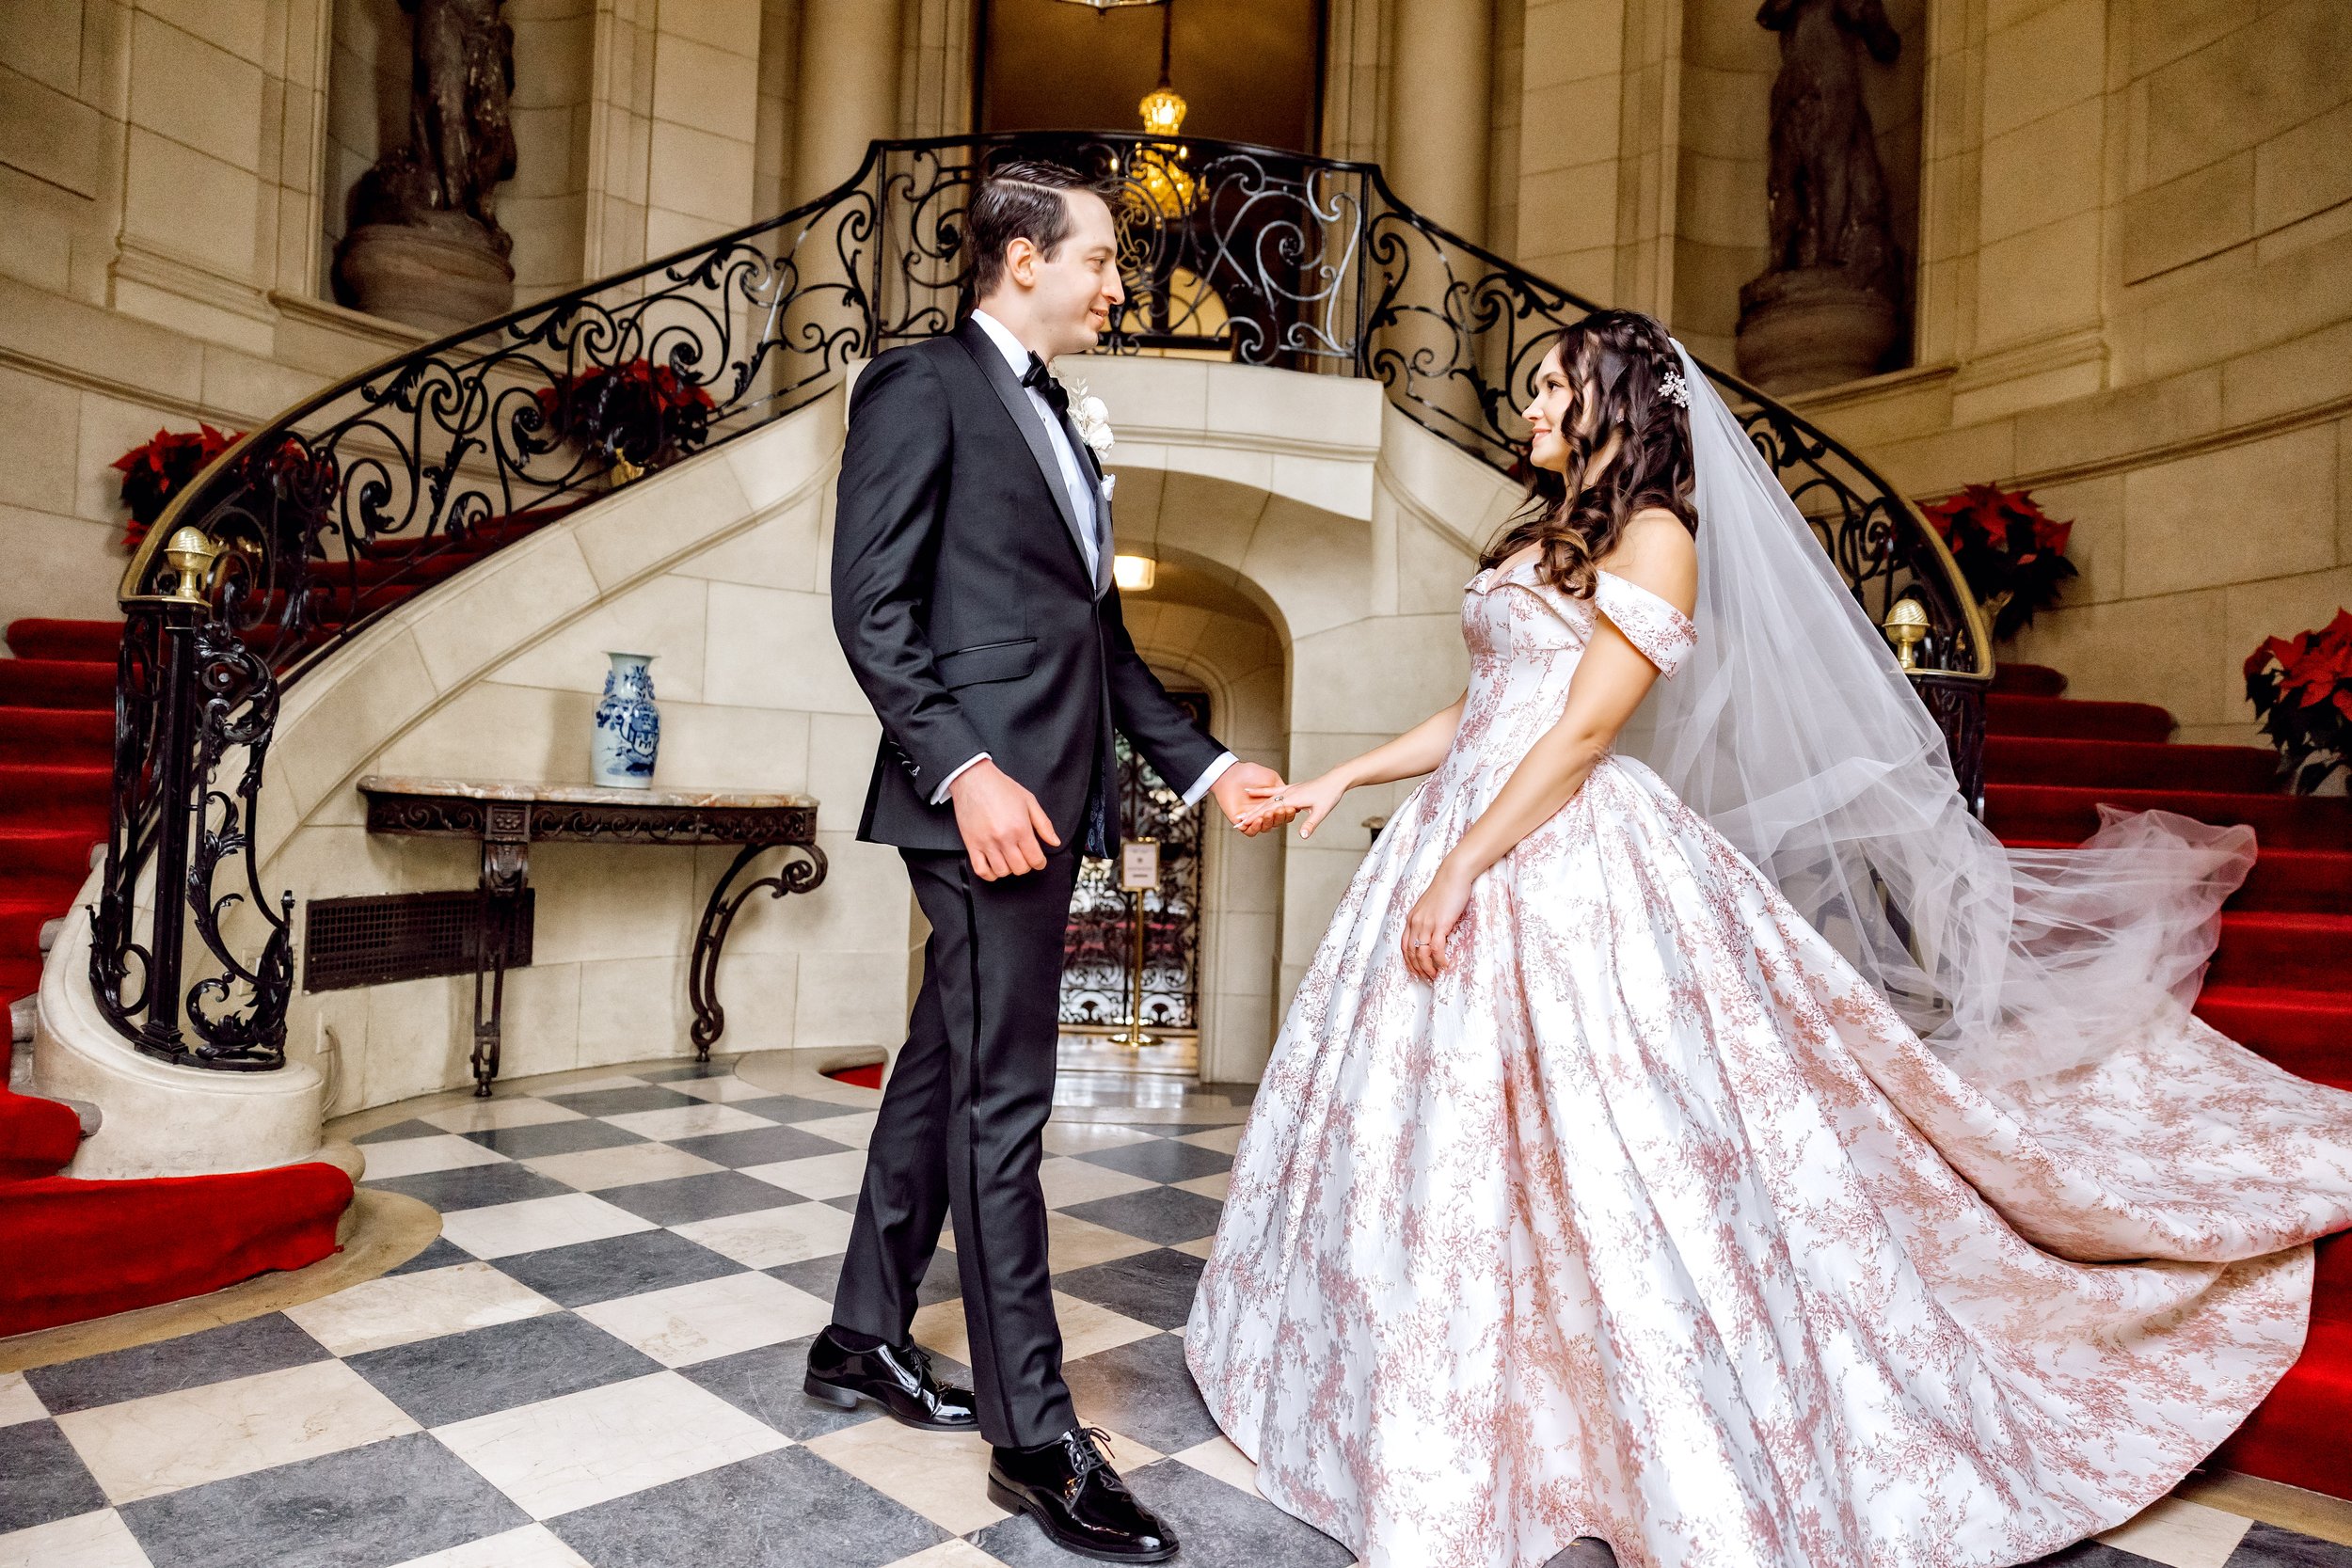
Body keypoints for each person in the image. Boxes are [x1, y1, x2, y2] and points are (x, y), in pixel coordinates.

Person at [1184, 309, 2352, 1568]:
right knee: (1447, 1139)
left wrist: (1462, 866)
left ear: (1612, 406)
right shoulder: (1542, 535)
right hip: (1467, 822)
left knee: (1620, 1145)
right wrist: (1346, 779)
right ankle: (1461, 1395)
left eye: (1548, 388)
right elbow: (1485, 708)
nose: (1526, 408)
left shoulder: (1658, 537)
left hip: (1563, 851)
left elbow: (1578, 734)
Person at [812, 159, 1287, 1562]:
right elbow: (870, 605)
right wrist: (962, 773)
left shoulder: (1067, 424)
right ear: (1023, 259)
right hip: (982, 809)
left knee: (949, 1070)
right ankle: (1036, 1437)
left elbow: (1099, 645)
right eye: (1099, 259)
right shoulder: (922, 387)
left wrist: (1209, 768)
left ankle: (859, 1335)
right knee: (1006, 1106)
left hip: (1044, 800)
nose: (1118, 284)